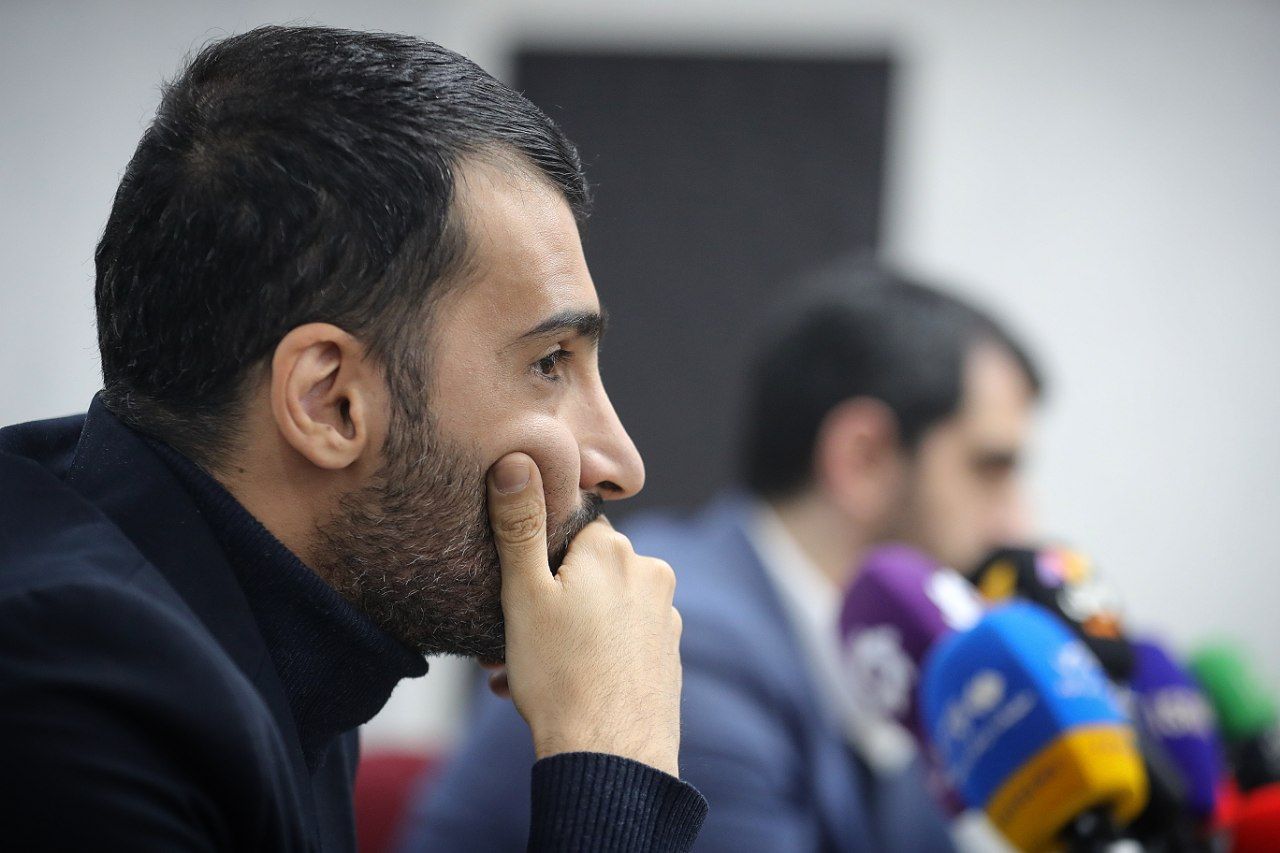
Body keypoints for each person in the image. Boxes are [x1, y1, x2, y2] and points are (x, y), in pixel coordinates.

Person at [0, 26, 708, 851]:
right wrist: (613, 759)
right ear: (331, 401)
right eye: (550, 362)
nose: (622, 463)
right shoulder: (72, 688)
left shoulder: (287, 637)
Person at [401, 262, 1044, 851]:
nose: (1017, 524)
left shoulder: (891, 657)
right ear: (863, 459)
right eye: (990, 469)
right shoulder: (692, 651)